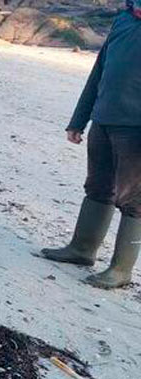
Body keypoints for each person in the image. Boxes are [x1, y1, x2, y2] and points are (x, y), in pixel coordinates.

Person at [39, 2, 141, 289]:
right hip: (104, 118)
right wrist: (79, 119)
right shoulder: (124, 19)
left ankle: (121, 269)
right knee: (97, 186)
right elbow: (99, 72)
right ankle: (82, 249)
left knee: (133, 199)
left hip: (136, 128)